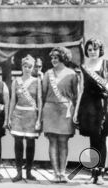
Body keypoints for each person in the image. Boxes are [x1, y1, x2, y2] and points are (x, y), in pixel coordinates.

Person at [74, 38, 108, 185]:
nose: (92, 52)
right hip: (88, 106)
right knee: (93, 140)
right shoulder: (83, 67)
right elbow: (80, 90)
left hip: (103, 104)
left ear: (99, 50)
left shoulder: (106, 65)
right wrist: (76, 112)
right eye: (89, 49)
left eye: (94, 49)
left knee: (101, 139)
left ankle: (100, 174)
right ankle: (93, 173)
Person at [42, 47, 77, 183]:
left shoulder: (72, 74)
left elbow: (75, 95)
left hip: (65, 111)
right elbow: (43, 94)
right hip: (50, 109)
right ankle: (55, 173)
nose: (53, 60)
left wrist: (74, 112)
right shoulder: (47, 73)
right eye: (52, 58)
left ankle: (63, 173)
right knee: (52, 142)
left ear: (63, 58)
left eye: (56, 58)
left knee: (63, 142)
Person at [8, 55, 42, 182]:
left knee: (30, 144)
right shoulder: (16, 81)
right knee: (18, 143)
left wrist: (39, 119)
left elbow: (39, 101)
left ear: (33, 68)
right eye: (25, 66)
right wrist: (9, 118)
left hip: (32, 115)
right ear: (21, 66)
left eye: (30, 67)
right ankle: (18, 173)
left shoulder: (37, 81)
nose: (27, 69)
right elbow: (12, 101)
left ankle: (28, 172)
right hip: (18, 115)